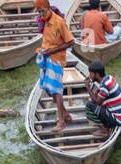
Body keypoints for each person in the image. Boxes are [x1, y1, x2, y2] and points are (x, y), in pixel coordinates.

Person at [36, 0, 75, 132]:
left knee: (56, 90)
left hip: (56, 59)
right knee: (47, 88)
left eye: (43, 11)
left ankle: (61, 122)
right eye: (39, 11)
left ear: (49, 8)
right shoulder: (43, 21)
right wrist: (45, 52)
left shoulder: (59, 21)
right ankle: (66, 114)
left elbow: (70, 42)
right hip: (47, 58)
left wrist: (51, 51)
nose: (41, 14)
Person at [85, 61, 121, 132]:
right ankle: (107, 126)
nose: (89, 76)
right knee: (95, 101)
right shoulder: (109, 78)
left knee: (89, 105)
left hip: (119, 119)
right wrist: (96, 92)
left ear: (96, 74)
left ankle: (104, 129)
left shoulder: (104, 86)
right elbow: (100, 96)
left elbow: (97, 102)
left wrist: (87, 87)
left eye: (91, 73)